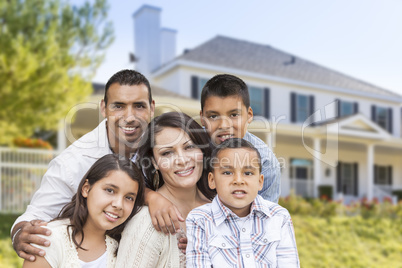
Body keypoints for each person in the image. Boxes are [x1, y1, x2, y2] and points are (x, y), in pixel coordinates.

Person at [11, 69, 183, 262]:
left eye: (139, 106)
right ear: (104, 108)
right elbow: (37, 215)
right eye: (118, 106)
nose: (130, 116)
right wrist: (20, 234)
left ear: (151, 108)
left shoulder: (161, 144)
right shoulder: (73, 163)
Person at [115, 112, 216, 267]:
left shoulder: (220, 209)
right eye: (167, 153)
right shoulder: (147, 222)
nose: (182, 160)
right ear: (154, 162)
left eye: (189, 147)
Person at [186, 138, 299, 267]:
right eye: (227, 172)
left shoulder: (279, 217)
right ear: (212, 180)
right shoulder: (200, 219)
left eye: (248, 173)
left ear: (260, 181)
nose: (238, 180)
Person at [23, 154, 145, 268]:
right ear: (86, 189)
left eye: (129, 198)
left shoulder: (123, 248)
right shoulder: (49, 240)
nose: (118, 205)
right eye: (110, 190)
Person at [200, 73, 281, 203]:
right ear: (202, 118)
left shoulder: (266, 163)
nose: (224, 126)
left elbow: (266, 218)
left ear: (249, 115)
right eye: (213, 116)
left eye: (233, 115)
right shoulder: (190, 147)